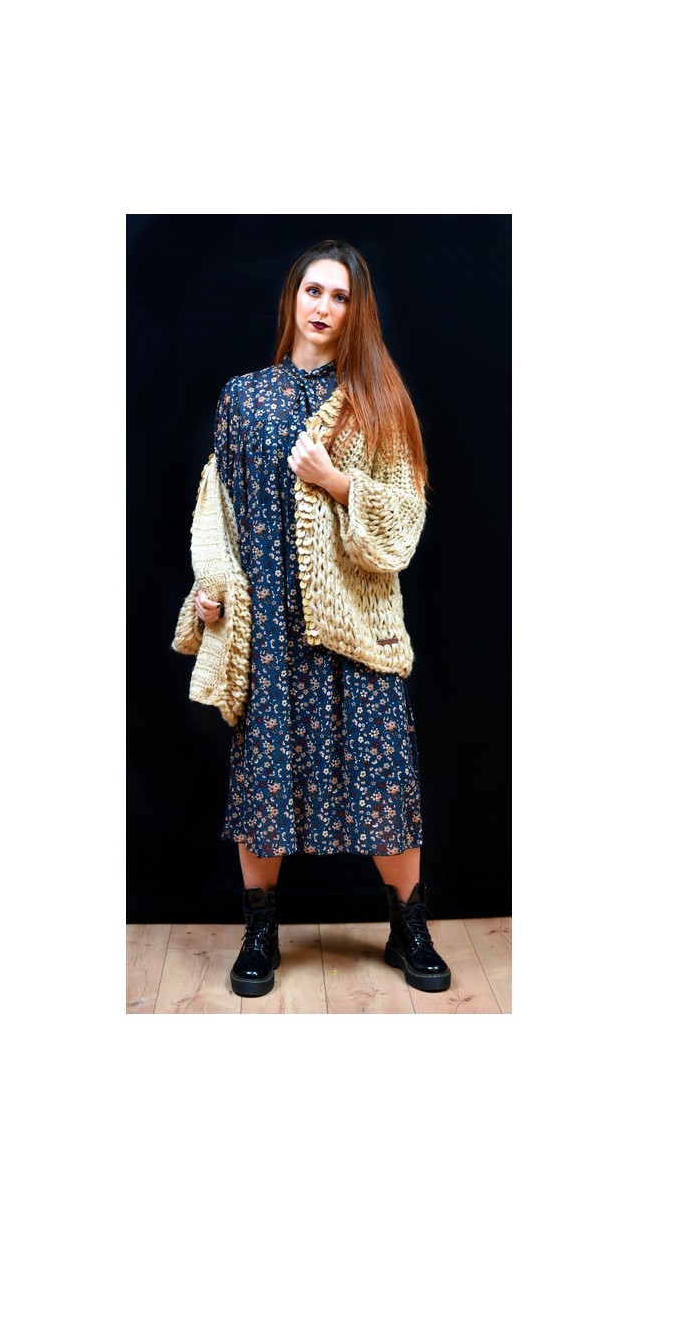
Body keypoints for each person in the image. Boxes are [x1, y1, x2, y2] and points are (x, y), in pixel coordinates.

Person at [186, 238, 451, 999]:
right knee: (265, 780)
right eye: (314, 291)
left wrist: (337, 482)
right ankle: (260, 929)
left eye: (340, 297)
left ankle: (409, 926)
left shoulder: (378, 401)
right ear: (292, 298)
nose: (325, 308)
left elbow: (403, 523)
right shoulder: (244, 398)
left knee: (384, 779)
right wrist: (211, 588)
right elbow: (217, 510)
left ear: (356, 310)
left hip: (356, 626)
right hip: (269, 628)